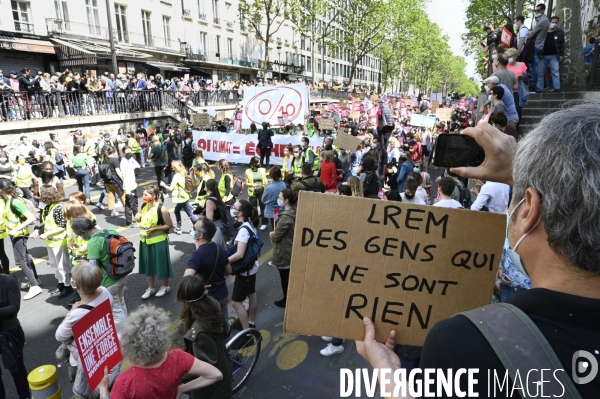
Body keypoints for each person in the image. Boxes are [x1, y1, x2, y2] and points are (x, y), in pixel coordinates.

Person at [357, 105, 600, 397]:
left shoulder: (462, 343)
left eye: (514, 198)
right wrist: (519, 174)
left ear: (529, 210)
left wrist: (389, 376)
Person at [98, 305, 223, 399]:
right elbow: (216, 374)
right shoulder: (178, 358)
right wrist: (182, 389)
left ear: (131, 345)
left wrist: (104, 391)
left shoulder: (124, 382)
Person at [55, 262, 121, 398]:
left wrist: (70, 312)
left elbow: (59, 336)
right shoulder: (105, 291)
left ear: (75, 285)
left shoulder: (76, 314)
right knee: (108, 380)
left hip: (88, 356)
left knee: (90, 386)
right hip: (105, 347)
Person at [177, 275, 233, 399]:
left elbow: (206, 369)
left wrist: (182, 386)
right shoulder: (212, 303)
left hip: (212, 390)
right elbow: (224, 331)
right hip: (222, 363)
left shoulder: (199, 334)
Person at [71, 217, 128, 327]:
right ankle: (128, 327)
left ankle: (123, 335)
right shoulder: (111, 231)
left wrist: (84, 262)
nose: (82, 237)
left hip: (109, 281)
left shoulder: (93, 242)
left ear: (84, 231)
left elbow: (93, 268)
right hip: (121, 273)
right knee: (121, 302)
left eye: (80, 234)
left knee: (115, 311)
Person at [184, 217, 232, 335]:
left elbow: (186, 280)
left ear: (200, 235)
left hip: (208, 300)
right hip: (222, 294)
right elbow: (229, 270)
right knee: (223, 326)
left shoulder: (197, 255)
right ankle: (227, 348)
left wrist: (200, 286)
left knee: (211, 331)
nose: (192, 230)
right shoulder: (219, 248)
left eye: (194, 228)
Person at [0, 180, 40, 300]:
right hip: (16, 234)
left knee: (20, 261)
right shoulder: (8, 200)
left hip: (19, 234)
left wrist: (16, 229)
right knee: (26, 257)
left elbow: (31, 218)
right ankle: (36, 279)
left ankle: (34, 285)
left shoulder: (14, 202)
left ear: (1, 190)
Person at [32, 186, 72, 299]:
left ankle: (67, 285)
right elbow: (44, 223)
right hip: (51, 242)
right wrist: (37, 230)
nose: (39, 197)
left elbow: (63, 226)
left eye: (41, 194)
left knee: (62, 265)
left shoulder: (58, 208)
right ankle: (61, 282)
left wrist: (47, 234)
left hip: (59, 242)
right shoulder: (47, 208)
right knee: (55, 265)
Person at [135, 186, 174, 299]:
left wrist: (155, 229)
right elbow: (140, 220)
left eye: (146, 195)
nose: (143, 197)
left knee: (161, 264)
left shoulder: (161, 209)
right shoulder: (143, 206)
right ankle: (151, 288)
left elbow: (169, 225)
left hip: (159, 241)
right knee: (148, 264)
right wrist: (137, 218)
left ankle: (165, 286)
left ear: (154, 196)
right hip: (145, 241)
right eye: (143, 194)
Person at [228, 199, 259, 330]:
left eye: (234, 207)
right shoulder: (250, 225)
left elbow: (240, 254)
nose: (232, 209)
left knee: (236, 302)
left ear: (240, 213)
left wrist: (224, 261)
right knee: (251, 293)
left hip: (244, 272)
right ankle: (251, 322)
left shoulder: (243, 231)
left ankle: (246, 333)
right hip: (251, 269)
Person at [0, 272, 31, 399]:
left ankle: (25, 396)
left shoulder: (8, 281)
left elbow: (14, 307)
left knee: (17, 370)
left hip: (11, 333)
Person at [269, 189, 297, 308]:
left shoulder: (285, 217)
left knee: (285, 279)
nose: (278, 199)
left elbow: (276, 236)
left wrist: (271, 234)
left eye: (280, 197)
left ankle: (287, 300)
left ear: (286, 200)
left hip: (285, 253)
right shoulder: (295, 212)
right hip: (292, 250)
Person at [161, 160, 197, 234]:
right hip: (185, 196)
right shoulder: (183, 173)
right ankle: (179, 227)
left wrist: (163, 185)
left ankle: (197, 228)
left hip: (182, 198)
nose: (171, 168)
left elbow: (171, 188)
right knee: (177, 210)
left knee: (190, 213)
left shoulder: (176, 176)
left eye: (172, 167)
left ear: (174, 168)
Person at [537, 15, 564, 93]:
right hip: (542, 55)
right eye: (553, 22)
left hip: (554, 55)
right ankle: (539, 88)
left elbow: (562, 44)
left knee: (555, 71)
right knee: (540, 72)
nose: (554, 24)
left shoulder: (559, 32)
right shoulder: (544, 31)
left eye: (556, 22)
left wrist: (561, 54)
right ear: (549, 22)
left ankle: (557, 87)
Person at [527, 3, 549, 91]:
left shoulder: (543, 21)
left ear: (543, 10)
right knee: (538, 67)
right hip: (540, 46)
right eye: (535, 10)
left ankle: (534, 85)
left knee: (535, 67)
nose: (536, 12)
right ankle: (541, 85)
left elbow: (530, 35)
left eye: (538, 10)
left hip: (537, 46)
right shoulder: (543, 20)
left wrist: (529, 33)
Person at [102, 147, 126, 218]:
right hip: (114, 180)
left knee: (110, 196)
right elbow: (118, 171)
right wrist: (123, 179)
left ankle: (112, 211)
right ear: (113, 152)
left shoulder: (104, 160)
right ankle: (127, 208)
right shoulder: (114, 160)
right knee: (121, 194)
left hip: (106, 180)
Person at [244, 156, 268, 230]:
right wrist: (253, 185)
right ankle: (255, 222)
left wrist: (265, 184)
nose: (259, 163)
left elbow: (266, 181)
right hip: (252, 192)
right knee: (253, 209)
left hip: (262, 191)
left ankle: (264, 223)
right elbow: (246, 183)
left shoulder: (263, 170)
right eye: (257, 162)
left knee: (263, 207)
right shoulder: (248, 171)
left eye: (259, 162)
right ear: (253, 163)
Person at [203, 179, 228, 247]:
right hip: (221, 225)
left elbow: (209, 220)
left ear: (207, 187)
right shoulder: (216, 196)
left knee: (215, 250)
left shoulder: (209, 200)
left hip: (216, 228)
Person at [120, 146, 140, 228]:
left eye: (130, 152)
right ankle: (129, 222)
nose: (129, 154)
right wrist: (127, 188)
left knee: (135, 203)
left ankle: (136, 218)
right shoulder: (123, 163)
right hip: (128, 187)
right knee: (129, 205)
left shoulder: (130, 160)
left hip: (133, 185)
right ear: (123, 153)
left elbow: (138, 166)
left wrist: (132, 159)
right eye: (127, 153)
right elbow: (123, 177)